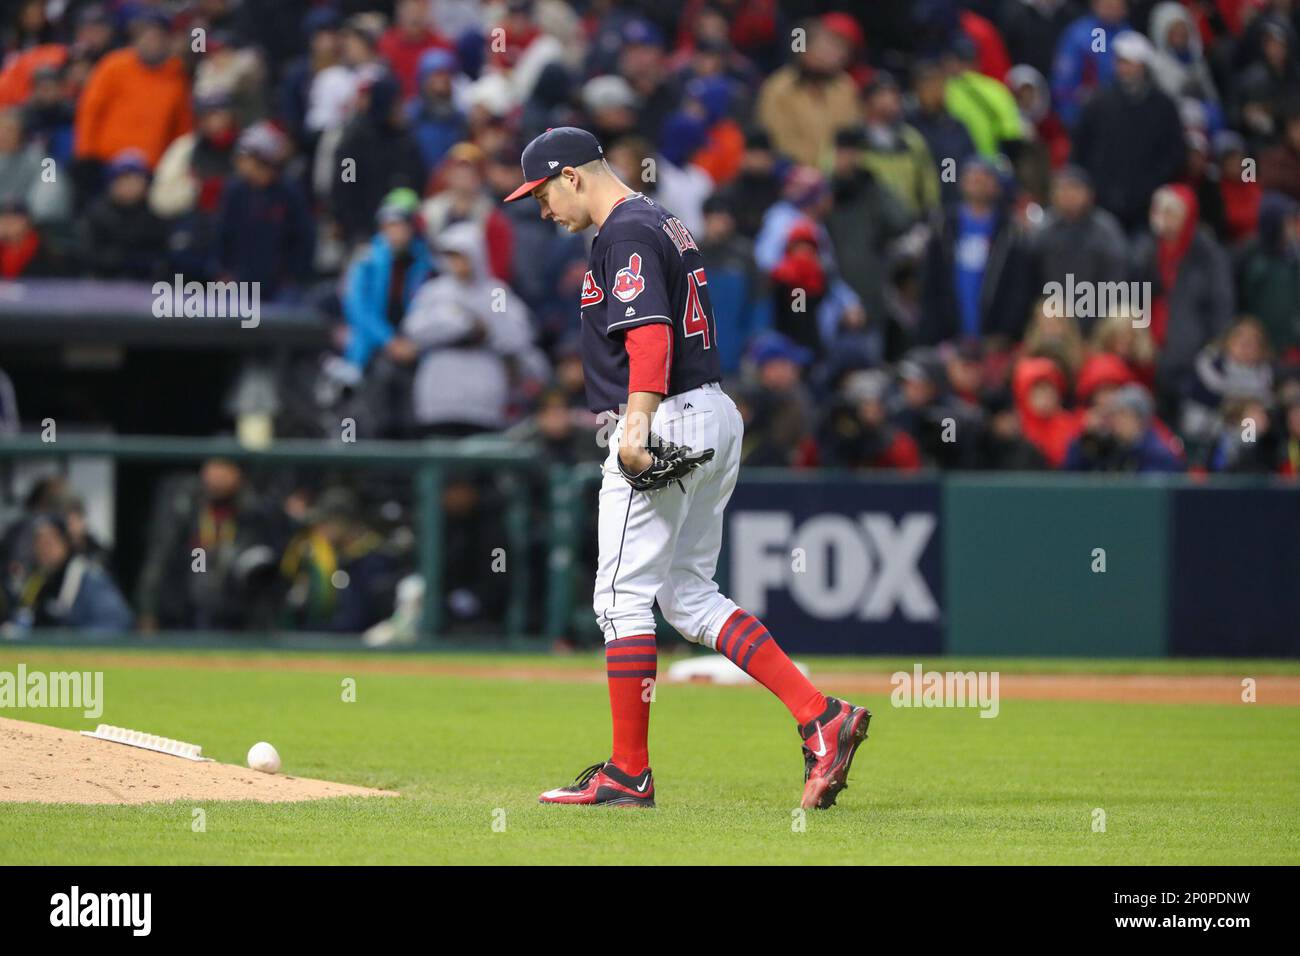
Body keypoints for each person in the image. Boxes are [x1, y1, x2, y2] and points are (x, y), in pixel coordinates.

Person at [504, 127, 871, 809]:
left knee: (620, 597)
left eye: (543, 192)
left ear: (573, 177)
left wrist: (636, 425)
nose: (542, 209)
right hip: (710, 412)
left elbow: (649, 334)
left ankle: (628, 771)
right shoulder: (660, 219)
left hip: (664, 412)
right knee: (687, 595)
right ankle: (821, 716)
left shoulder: (622, 232)